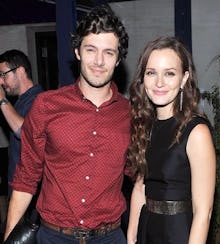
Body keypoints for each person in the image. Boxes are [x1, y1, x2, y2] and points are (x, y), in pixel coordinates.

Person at [4, 4, 130, 244]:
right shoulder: (46, 106)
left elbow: (142, 176)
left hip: (110, 237)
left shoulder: (129, 114)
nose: (99, 61)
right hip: (54, 237)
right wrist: (9, 238)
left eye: (109, 53)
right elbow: (26, 179)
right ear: (77, 51)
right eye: (91, 49)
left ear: (118, 60)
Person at [127, 36, 216, 244]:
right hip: (147, 229)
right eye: (151, 73)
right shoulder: (145, 125)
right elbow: (140, 189)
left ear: (184, 79)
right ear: (143, 78)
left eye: (169, 73)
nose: (159, 83)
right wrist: (131, 238)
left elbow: (204, 211)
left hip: (178, 233)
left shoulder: (196, 131)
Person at [0, 49, 43, 196]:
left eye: (3, 75)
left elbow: (23, 131)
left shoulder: (40, 100)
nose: (1, 81)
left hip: (29, 193)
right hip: (18, 187)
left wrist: (1, 99)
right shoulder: (19, 102)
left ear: (20, 71)